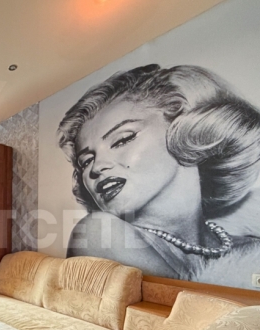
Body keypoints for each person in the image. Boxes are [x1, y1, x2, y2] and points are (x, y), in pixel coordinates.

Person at [57, 64, 260, 288]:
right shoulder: (99, 231)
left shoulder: (251, 248)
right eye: (85, 161)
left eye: (122, 139)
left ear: (184, 130)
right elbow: (192, 304)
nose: (97, 167)